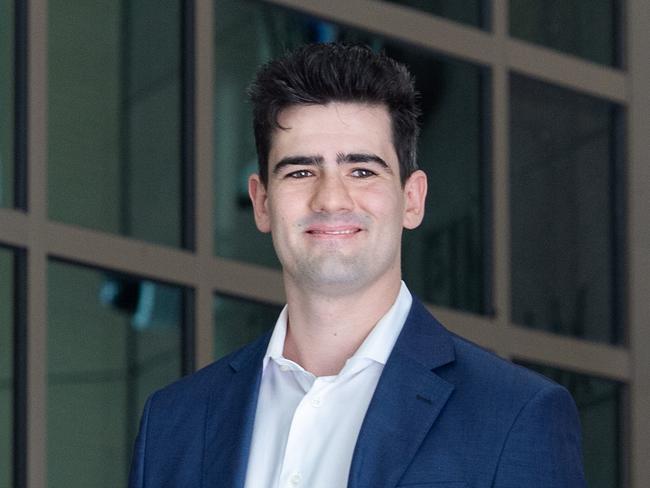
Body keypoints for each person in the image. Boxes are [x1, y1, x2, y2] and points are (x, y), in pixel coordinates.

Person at [129, 43, 586, 488]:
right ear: (262, 202)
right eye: (300, 171)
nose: (330, 198)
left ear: (412, 199)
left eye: (362, 171)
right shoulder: (173, 424)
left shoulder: (514, 415)